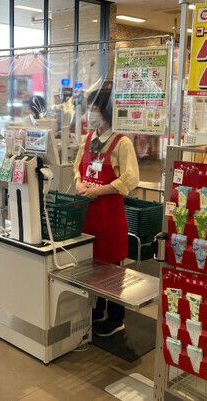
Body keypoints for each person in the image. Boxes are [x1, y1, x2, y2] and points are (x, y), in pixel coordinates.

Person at [73, 84, 139, 337]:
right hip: (89, 215)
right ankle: (97, 309)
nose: (91, 114)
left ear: (108, 112)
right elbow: (77, 166)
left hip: (110, 217)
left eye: (95, 109)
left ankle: (116, 317)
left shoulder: (123, 143)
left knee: (113, 270)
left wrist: (98, 191)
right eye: (90, 108)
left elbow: (130, 179)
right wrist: (79, 182)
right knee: (93, 267)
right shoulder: (89, 138)